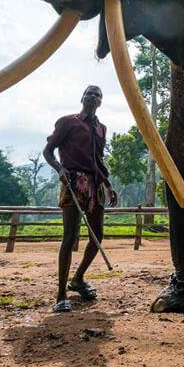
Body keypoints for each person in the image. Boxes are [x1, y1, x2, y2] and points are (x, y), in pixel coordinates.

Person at [43, 84, 118, 313]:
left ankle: (78, 279)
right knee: (70, 236)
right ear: (82, 98)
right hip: (74, 182)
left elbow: (99, 159)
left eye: (97, 94)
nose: (93, 96)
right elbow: (48, 151)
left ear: (101, 101)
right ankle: (60, 294)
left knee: (98, 236)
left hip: (95, 186)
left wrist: (108, 184)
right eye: (89, 93)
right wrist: (59, 169)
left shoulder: (102, 128)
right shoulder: (68, 122)